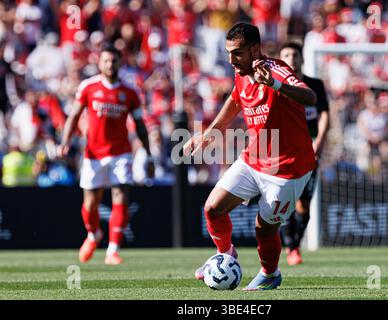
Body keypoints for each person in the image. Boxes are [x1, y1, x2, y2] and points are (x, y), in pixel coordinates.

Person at [183, 23, 316, 290]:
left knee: (263, 229)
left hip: (287, 170)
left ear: (256, 50)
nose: (231, 60)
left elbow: (310, 97)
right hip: (254, 158)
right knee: (212, 208)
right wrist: (209, 133)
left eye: (238, 53)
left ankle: (270, 274)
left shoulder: (276, 69)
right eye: (229, 53)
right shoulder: (241, 72)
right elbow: (235, 100)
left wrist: (276, 84)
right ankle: (226, 254)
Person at [57, 45, 151, 265]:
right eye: (106, 61)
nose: (110, 65)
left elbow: (139, 124)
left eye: (114, 61)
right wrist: (65, 141)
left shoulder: (129, 93)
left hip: (121, 153)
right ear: (99, 63)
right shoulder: (88, 87)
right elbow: (73, 116)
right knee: (90, 203)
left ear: (120, 62)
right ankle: (93, 235)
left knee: (120, 196)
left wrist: (148, 153)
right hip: (93, 154)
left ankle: (113, 249)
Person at [278, 41, 329, 265]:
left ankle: (292, 244)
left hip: (309, 152)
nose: (291, 58)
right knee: (282, 201)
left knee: (303, 204)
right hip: (283, 153)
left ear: (302, 58)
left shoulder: (314, 85)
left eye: (294, 54)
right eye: (286, 55)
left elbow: (325, 114)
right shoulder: (276, 85)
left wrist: (319, 142)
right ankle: (291, 247)